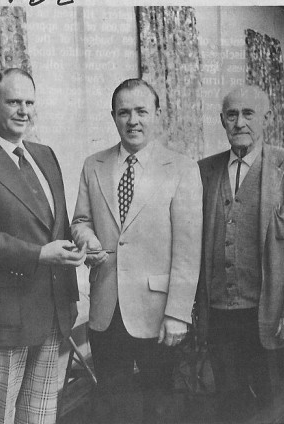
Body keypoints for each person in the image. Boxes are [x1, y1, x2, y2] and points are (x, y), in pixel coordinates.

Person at [0, 68, 85, 424]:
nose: (24, 110)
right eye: (13, 102)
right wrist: (39, 254)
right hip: (3, 319)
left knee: (39, 418)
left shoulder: (45, 154)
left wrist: (80, 244)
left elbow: (58, 224)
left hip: (52, 310)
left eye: (29, 102)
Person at [71, 78, 203, 423]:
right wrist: (88, 239)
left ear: (157, 115)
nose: (133, 120)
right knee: (113, 406)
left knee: (161, 407)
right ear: (113, 116)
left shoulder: (182, 168)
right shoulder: (93, 165)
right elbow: (79, 221)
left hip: (158, 313)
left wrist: (178, 314)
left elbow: (189, 250)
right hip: (105, 309)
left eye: (141, 111)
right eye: (124, 112)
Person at [196, 85, 284, 422]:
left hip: (273, 317)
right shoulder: (204, 171)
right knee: (230, 407)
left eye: (248, 114)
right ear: (221, 120)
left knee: (278, 409)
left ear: (266, 118)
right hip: (221, 318)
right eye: (232, 115)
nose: (239, 122)